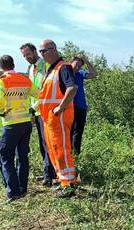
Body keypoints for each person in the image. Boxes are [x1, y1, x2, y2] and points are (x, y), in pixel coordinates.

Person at [37, 39, 80, 197]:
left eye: (44, 51)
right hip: (50, 118)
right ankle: (64, 181)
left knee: (62, 150)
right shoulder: (51, 70)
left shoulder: (63, 67)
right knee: (54, 150)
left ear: (54, 49)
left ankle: (69, 185)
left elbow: (72, 88)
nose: (42, 54)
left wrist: (60, 108)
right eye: (40, 52)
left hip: (59, 117)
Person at [0, 55, 37, 202]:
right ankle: (23, 188)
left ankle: (13, 192)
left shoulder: (1, 80)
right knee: (23, 156)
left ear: (1, 67)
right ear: (13, 65)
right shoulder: (25, 80)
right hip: (26, 123)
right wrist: (33, 109)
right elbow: (39, 94)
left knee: (6, 157)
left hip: (11, 124)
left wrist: (1, 112)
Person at [20, 42, 56, 186]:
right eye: (24, 56)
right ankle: (49, 171)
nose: (26, 57)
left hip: (46, 110)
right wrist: (32, 110)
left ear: (35, 52)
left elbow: (45, 91)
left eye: (28, 54)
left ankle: (49, 174)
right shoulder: (31, 69)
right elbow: (31, 91)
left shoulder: (46, 65)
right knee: (42, 144)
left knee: (48, 143)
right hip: (37, 111)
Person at [70, 55, 97, 156]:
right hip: (70, 106)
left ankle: (76, 154)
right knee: (70, 131)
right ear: (71, 61)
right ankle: (69, 155)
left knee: (78, 132)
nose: (77, 68)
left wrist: (86, 61)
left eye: (79, 66)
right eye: (76, 65)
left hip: (81, 106)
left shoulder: (80, 73)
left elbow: (94, 74)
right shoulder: (65, 73)